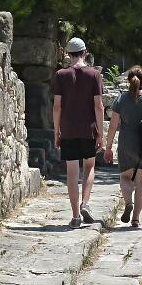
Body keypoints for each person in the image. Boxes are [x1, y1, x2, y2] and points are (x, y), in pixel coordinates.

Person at [52, 36, 104, 229]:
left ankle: (75, 216)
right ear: (85, 53)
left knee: (71, 171)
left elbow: (57, 106)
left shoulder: (60, 75)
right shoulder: (94, 75)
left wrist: (56, 131)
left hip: (68, 129)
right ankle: (85, 203)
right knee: (89, 166)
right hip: (88, 129)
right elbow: (98, 106)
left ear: (68, 54)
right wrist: (101, 132)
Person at [104, 65, 142, 230]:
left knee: (125, 177)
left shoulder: (121, 99)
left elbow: (113, 125)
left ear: (128, 81)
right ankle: (136, 219)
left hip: (127, 143)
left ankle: (128, 202)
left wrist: (108, 147)